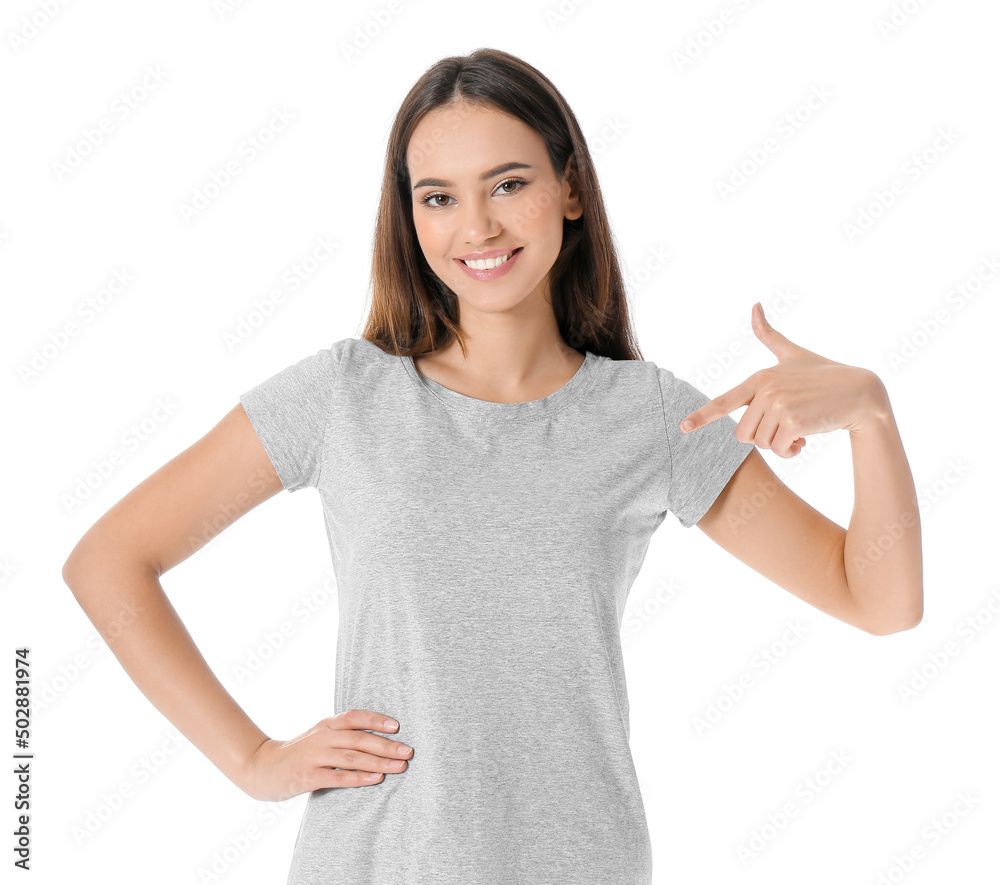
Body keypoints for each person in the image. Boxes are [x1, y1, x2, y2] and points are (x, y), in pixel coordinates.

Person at [62, 47, 923, 884]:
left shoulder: (653, 417)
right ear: (411, 218)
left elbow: (878, 598)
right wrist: (253, 758)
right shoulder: (343, 396)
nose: (475, 227)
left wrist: (872, 415)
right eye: (438, 197)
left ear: (570, 188)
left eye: (509, 183)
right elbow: (109, 562)